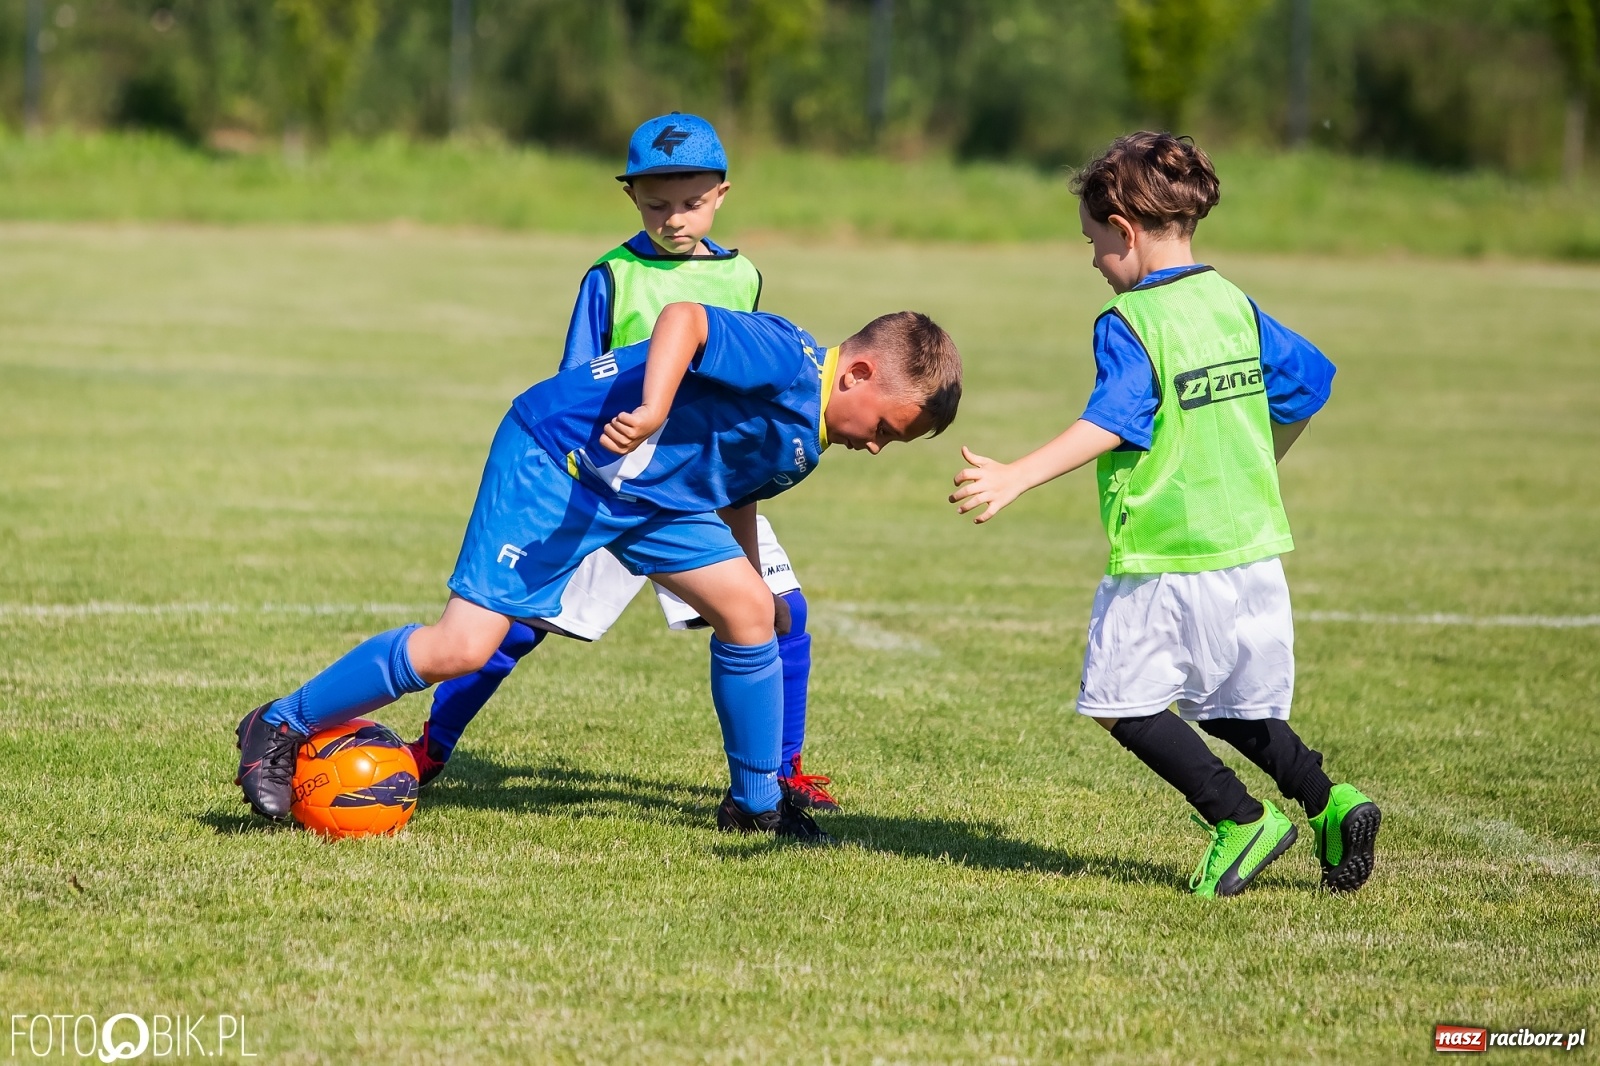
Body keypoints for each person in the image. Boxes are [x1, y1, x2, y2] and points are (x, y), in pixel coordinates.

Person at [237, 301, 962, 843]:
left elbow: (733, 490)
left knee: (751, 612)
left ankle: (755, 805)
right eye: (889, 429)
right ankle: (278, 724)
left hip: (653, 501)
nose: (877, 448)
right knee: (464, 647)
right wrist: (651, 408)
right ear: (860, 373)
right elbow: (686, 319)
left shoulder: (809, 438)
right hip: (562, 459)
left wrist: (748, 577)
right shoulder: (789, 360)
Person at [948, 131, 1379, 898]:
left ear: (1124, 228)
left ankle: (1238, 818)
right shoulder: (1230, 303)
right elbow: (1309, 383)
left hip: (1166, 548)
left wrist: (1018, 474)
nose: (1091, 262)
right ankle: (1330, 802)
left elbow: (1111, 420)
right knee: (1227, 705)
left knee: (1118, 702)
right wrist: (1259, 458)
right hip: (1248, 547)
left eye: (1092, 242)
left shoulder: (1130, 321)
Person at [410, 113, 840, 812]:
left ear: (722, 193)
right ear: (631, 197)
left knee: (778, 609)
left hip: (700, 484)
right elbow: (573, 382)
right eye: (656, 202)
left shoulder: (743, 275)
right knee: (516, 625)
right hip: (611, 478)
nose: (674, 218)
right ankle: (431, 748)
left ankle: (780, 775)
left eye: (691, 201)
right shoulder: (612, 274)